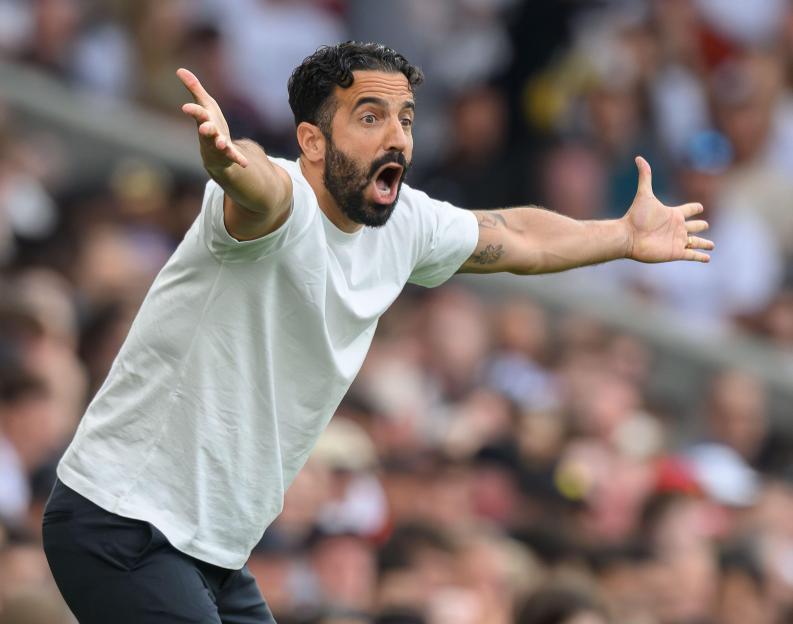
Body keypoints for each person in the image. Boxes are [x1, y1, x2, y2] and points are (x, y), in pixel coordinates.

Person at [41, 41, 713, 623]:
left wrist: (621, 236)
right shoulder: (273, 202)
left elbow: (516, 236)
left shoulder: (407, 224)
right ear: (311, 141)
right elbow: (257, 182)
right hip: (120, 519)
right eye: (371, 116)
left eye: (406, 118)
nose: (398, 136)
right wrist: (227, 157)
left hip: (211, 549)